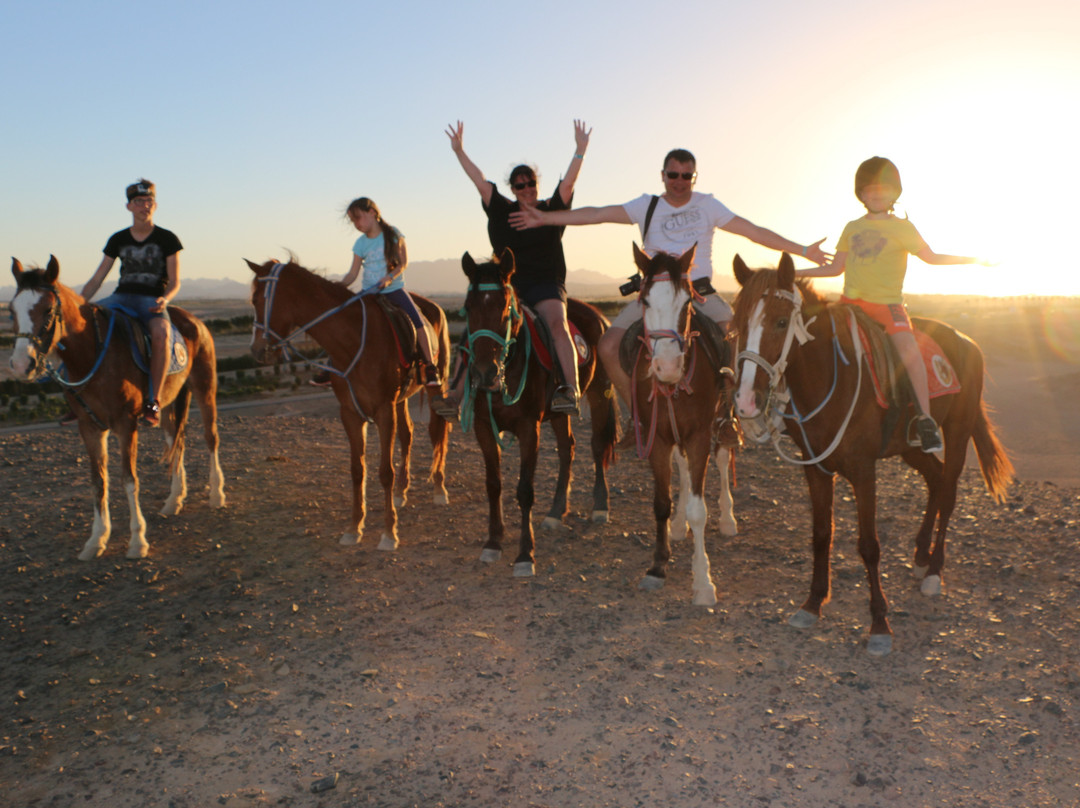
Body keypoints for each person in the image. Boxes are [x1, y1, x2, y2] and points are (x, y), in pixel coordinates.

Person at [511, 148, 829, 438]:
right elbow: (597, 214)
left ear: (694, 177)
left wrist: (803, 250)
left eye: (686, 176)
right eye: (673, 175)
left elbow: (753, 231)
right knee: (607, 347)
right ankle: (639, 418)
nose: (679, 182)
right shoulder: (647, 205)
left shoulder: (707, 205)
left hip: (699, 291)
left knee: (734, 336)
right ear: (663, 176)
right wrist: (545, 218)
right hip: (656, 294)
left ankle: (726, 417)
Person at [794, 156, 992, 454]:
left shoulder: (903, 228)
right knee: (808, 341)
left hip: (887, 307)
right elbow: (835, 268)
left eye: (883, 189)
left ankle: (925, 420)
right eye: (870, 189)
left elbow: (931, 257)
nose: (876, 194)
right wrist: (793, 273)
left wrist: (973, 259)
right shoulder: (851, 227)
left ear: (894, 193)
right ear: (861, 194)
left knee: (909, 352)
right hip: (849, 305)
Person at [442, 118, 592, 416]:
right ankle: (454, 395)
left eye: (530, 183)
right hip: (510, 288)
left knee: (558, 326)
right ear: (512, 188)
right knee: (476, 329)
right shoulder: (502, 211)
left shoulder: (551, 211)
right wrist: (459, 151)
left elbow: (568, 184)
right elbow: (479, 181)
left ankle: (570, 389)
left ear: (537, 185)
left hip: (546, 286)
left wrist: (580, 150)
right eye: (520, 185)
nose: (526, 189)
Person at [80, 179, 181, 427]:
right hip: (120, 297)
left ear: (155, 205)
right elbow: (98, 278)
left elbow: (175, 281)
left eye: (148, 201)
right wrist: (80, 303)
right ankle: (78, 396)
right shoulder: (118, 239)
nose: (144, 206)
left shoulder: (167, 239)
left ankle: (153, 400)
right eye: (138, 201)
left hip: (151, 301)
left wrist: (165, 299)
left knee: (161, 335)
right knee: (79, 328)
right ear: (129, 206)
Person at [312, 197, 441, 390]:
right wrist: (338, 285)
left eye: (358, 218)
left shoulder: (393, 235)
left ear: (372, 213)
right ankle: (331, 369)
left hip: (393, 289)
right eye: (353, 221)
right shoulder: (360, 244)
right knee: (344, 321)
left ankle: (430, 367)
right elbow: (353, 273)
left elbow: (403, 263)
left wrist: (389, 277)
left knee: (417, 321)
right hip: (368, 292)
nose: (356, 224)